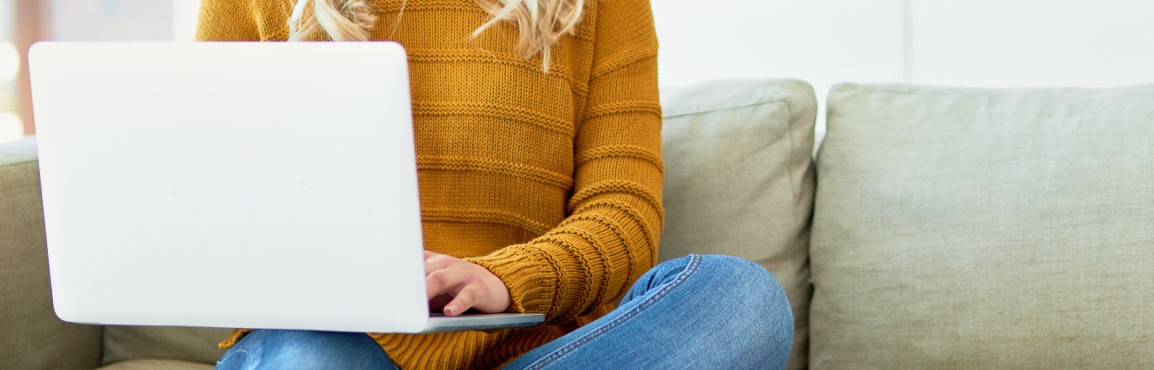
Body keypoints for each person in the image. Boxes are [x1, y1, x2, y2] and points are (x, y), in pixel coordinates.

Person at [199, 0, 794, 369]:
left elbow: (624, 211)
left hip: (538, 347)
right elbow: (214, 189)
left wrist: (504, 279)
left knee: (742, 300)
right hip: (337, 339)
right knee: (311, 357)